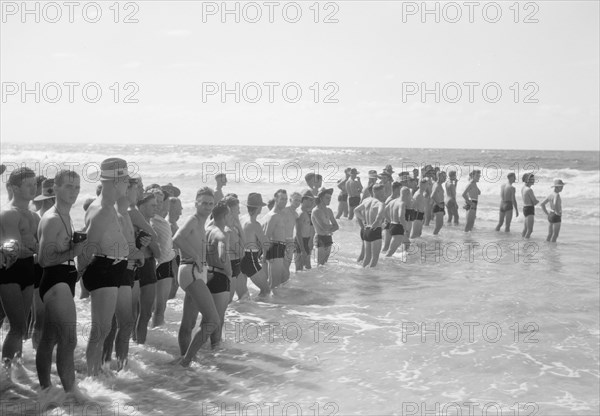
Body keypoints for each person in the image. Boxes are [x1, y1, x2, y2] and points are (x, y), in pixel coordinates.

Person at [77, 158, 130, 376]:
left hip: (112, 268)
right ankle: (91, 376)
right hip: (104, 269)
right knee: (100, 329)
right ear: (118, 181)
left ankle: (96, 371)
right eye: (126, 180)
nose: (127, 185)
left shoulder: (107, 206)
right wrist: (81, 280)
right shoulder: (103, 210)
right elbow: (86, 249)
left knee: (105, 327)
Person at [35, 170, 86, 397]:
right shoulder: (53, 218)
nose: (73, 192)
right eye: (68, 187)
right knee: (69, 338)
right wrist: (75, 250)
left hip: (61, 279)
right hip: (55, 280)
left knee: (50, 337)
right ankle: (72, 394)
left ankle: (46, 391)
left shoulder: (65, 215)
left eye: (76, 187)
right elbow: (45, 259)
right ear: (55, 189)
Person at [102, 174, 150, 370]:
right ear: (126, 190)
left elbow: (127, 244)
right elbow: (116, 248)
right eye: (136, 188)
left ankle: (110, 363)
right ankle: (118, 367)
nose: (139, 192)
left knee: (117, 323)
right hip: (119, 271)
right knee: (122, 323)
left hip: (127, 272)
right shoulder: (119, 215)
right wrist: (138, 252)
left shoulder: (127, 215)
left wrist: (138, 245)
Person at [173, 187, 220, 367]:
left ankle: (184, 357)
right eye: (204, 203)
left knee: (189, 323)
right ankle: (187, 361)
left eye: (211, 203)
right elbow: (177, 239)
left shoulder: (202, 223)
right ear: (196, 204)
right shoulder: (193, 220)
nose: (208, 206)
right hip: (190, 270)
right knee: (213, 320)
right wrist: (197, 257)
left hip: (195, 272)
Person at [1, 167, 39, 382]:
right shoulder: (9, 213)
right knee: (16, 326)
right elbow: (13, 250)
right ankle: (6, 375)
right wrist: (35, 248)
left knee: (22, 327)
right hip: (9, 271)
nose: (34, 188)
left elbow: (34, 247)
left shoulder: (33, 215)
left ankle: (17, 368)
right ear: (15, 187)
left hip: (27, 270)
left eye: (35, 184)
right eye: (28, 185)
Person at [30, 178, 56, 349]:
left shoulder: (50, 218)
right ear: (50, 199)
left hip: (48, 270)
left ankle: (36, 352)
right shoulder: (39, 220)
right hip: (39, 270)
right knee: (40, 317)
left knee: (44, 317)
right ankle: (36, 352)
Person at [133, 192, 161, 343]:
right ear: (141, 206)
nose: (156, 208)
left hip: (149, 265)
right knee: (136, 313)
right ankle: (135, 345)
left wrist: (150, 243)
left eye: (156, 205)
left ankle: (138, 345)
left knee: (144, 313)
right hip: (136, 266)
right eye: (152, 205)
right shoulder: (133, 222)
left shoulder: (149, 226)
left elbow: (158, 253)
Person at [205, 202, 233, 345]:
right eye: (230, 214)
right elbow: (223, 258)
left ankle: (207, 346)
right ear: (225, 216)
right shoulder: (221, 234)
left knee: (208, 318)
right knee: (218, 318)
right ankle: (215, 349)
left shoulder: (207, 229)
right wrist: (229, 272)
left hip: (207, 274)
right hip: (220, 276)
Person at [150, 188, 176, 328]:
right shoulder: (146, 220)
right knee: (149, 308)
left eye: (161, 201)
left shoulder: (162, 220)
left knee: (161, 308)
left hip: (166, 264)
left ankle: (158, 337)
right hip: (153, 265)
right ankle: (142, 341)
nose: (159, 204)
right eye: (155, 201)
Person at [239, 193, 270, 297]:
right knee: (266, 290)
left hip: (240, 257)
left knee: (243, 295)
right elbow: (266, 245)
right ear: (258, 208)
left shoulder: (242, 218)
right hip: (251, 259)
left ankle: (244, 312)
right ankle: (261, 312)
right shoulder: (255, 224)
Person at [355, 184, 386, 267]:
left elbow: (356, 211)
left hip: (366, 230)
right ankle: (370, 279)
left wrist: (363, 220)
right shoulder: (380, 203)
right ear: (377, 192)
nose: (384, 194)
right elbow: (380, 214)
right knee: (374, 258)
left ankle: (362, 273)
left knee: (367, 257)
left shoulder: (366, 201)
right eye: (382, 192)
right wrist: (377, 222)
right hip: (375, 230)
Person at [262, 190, 288, 289]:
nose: (285, 201)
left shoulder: (275, 215)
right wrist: (264, 256)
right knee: (275, 284)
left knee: (285, 277)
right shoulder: (273, 216)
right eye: (282, 199)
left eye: (286, 199)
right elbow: (266, 236)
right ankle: (271, 303)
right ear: (276, 199)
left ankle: (273, 301)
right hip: (274, 249)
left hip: (279, 248)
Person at [223, 194, 245, 301]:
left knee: (242, 298)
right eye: (237, 209)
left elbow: (244, 245)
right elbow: (242, 252)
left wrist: (239, 225)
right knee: (227, 302)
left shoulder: (233, 226)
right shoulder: (227, 229)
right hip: (230, 266)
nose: (239, 212)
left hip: (235, 265)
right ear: (230, 210)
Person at [311, 188, 339, 266]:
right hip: (320, 238)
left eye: (330, 198)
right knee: (320, 264)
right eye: (327, 198)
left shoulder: (329, 210)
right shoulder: (316, 211)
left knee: (325, 264)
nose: (329, 200)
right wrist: (330, 228)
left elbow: (337, 226)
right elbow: (323, 227)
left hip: (328, 238)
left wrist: (329, 229)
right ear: (321, 198)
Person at [165, 186, 182, 300]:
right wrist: (176, 269)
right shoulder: (170, 225)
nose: (182, 209)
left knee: (174, 288)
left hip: (176, 260)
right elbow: (170, 249)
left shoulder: (174, 224)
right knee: (172, 288)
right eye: (180, 207)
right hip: (173, 262)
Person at [386, 186, 412, 257]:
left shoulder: (393, 201)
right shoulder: (402, 203)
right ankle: (383, 265)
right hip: (398, 227)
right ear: (407, 194)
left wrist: (389, 220)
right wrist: (405, 228)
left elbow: (384, 211)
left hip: (392, 225)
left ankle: (404, 258)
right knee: (390, 252)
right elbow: (401, 216)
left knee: (407, 243)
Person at [282, 192, 301, 283]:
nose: (298, 202)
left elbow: (297, 231)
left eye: (299, 201)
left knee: (287, 265)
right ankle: (280, 286)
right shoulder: (284, 211)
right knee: (283, 266)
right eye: (296, 200)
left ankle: (284, 284)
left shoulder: (296, 214)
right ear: (290, 200)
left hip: (290, 241)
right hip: (281, 241)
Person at [295, 190, 315, 271]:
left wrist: (310, 241)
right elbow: (298, 232)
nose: (312, 202)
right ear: (304, 200)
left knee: (307, 267)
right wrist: (302, 249)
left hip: (306, 241)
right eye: (311, 200)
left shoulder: (307, 213)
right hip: (300, 242)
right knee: (299, 269)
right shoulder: (301, 213)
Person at [521, 173, 539, 239]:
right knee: (530, 230)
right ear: (527, 180)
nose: (533, 181)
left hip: (525, 208)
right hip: (529, 209)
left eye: (533, 179)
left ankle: (522, 241)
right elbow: (534, 202)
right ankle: (525, 244)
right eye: (531, 179)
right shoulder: (529, 190)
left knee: (525, 229)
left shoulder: (523, 188)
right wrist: (538, 201)